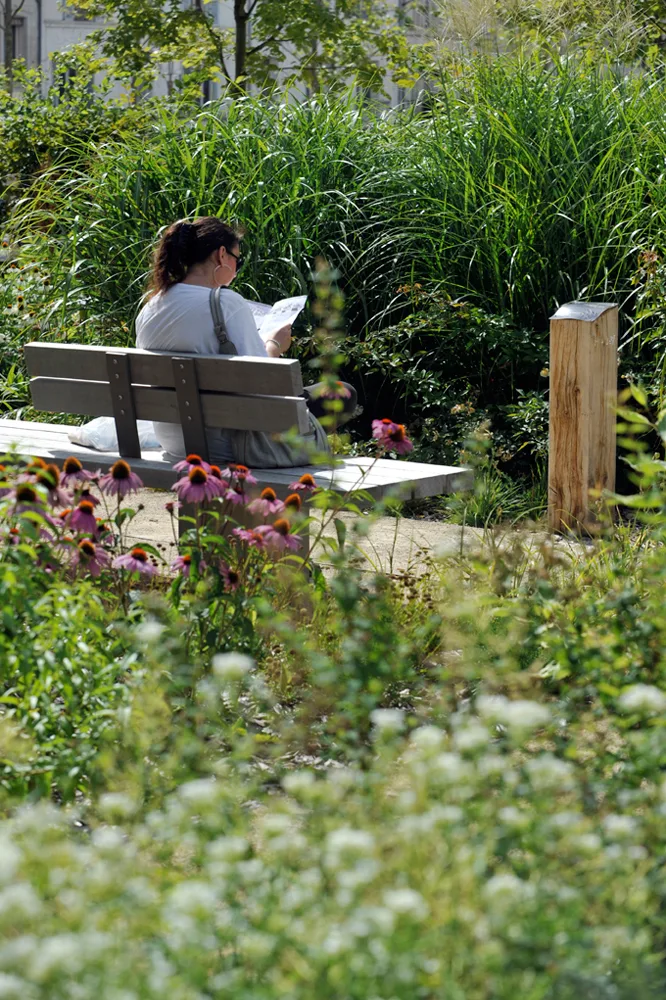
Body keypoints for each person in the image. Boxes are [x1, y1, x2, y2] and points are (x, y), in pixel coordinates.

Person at [135, 216, 357, 465]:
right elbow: (264, 383)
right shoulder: (225, 303)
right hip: (231, 445)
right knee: (343, 393)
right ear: (221, 255)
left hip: (175, 441)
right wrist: (274, 345)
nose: (236, 268)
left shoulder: (150, 308)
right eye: (236, 260)